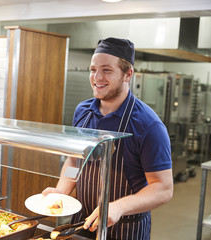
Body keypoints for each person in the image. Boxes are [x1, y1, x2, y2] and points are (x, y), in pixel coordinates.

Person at [43, 37, 173, 239]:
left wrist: (119, 207)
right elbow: (74, 161)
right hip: (81, 224)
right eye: (93, 69)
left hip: (126, 229)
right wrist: (62, 190)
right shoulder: (82, 112)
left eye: (107, 70)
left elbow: (163, 189)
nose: (97, 77)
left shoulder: (149, 125)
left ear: (127, 74)